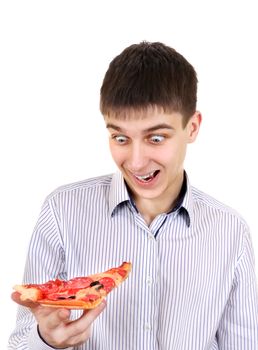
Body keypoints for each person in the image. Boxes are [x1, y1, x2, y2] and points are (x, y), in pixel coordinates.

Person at [8, 41, 258, 350]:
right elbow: (21, 342)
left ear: (192, 128)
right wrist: (45, 341)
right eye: (120, 137)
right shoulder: (62, 211)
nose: (136, 161)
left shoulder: (231, 231)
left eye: (156, 137)